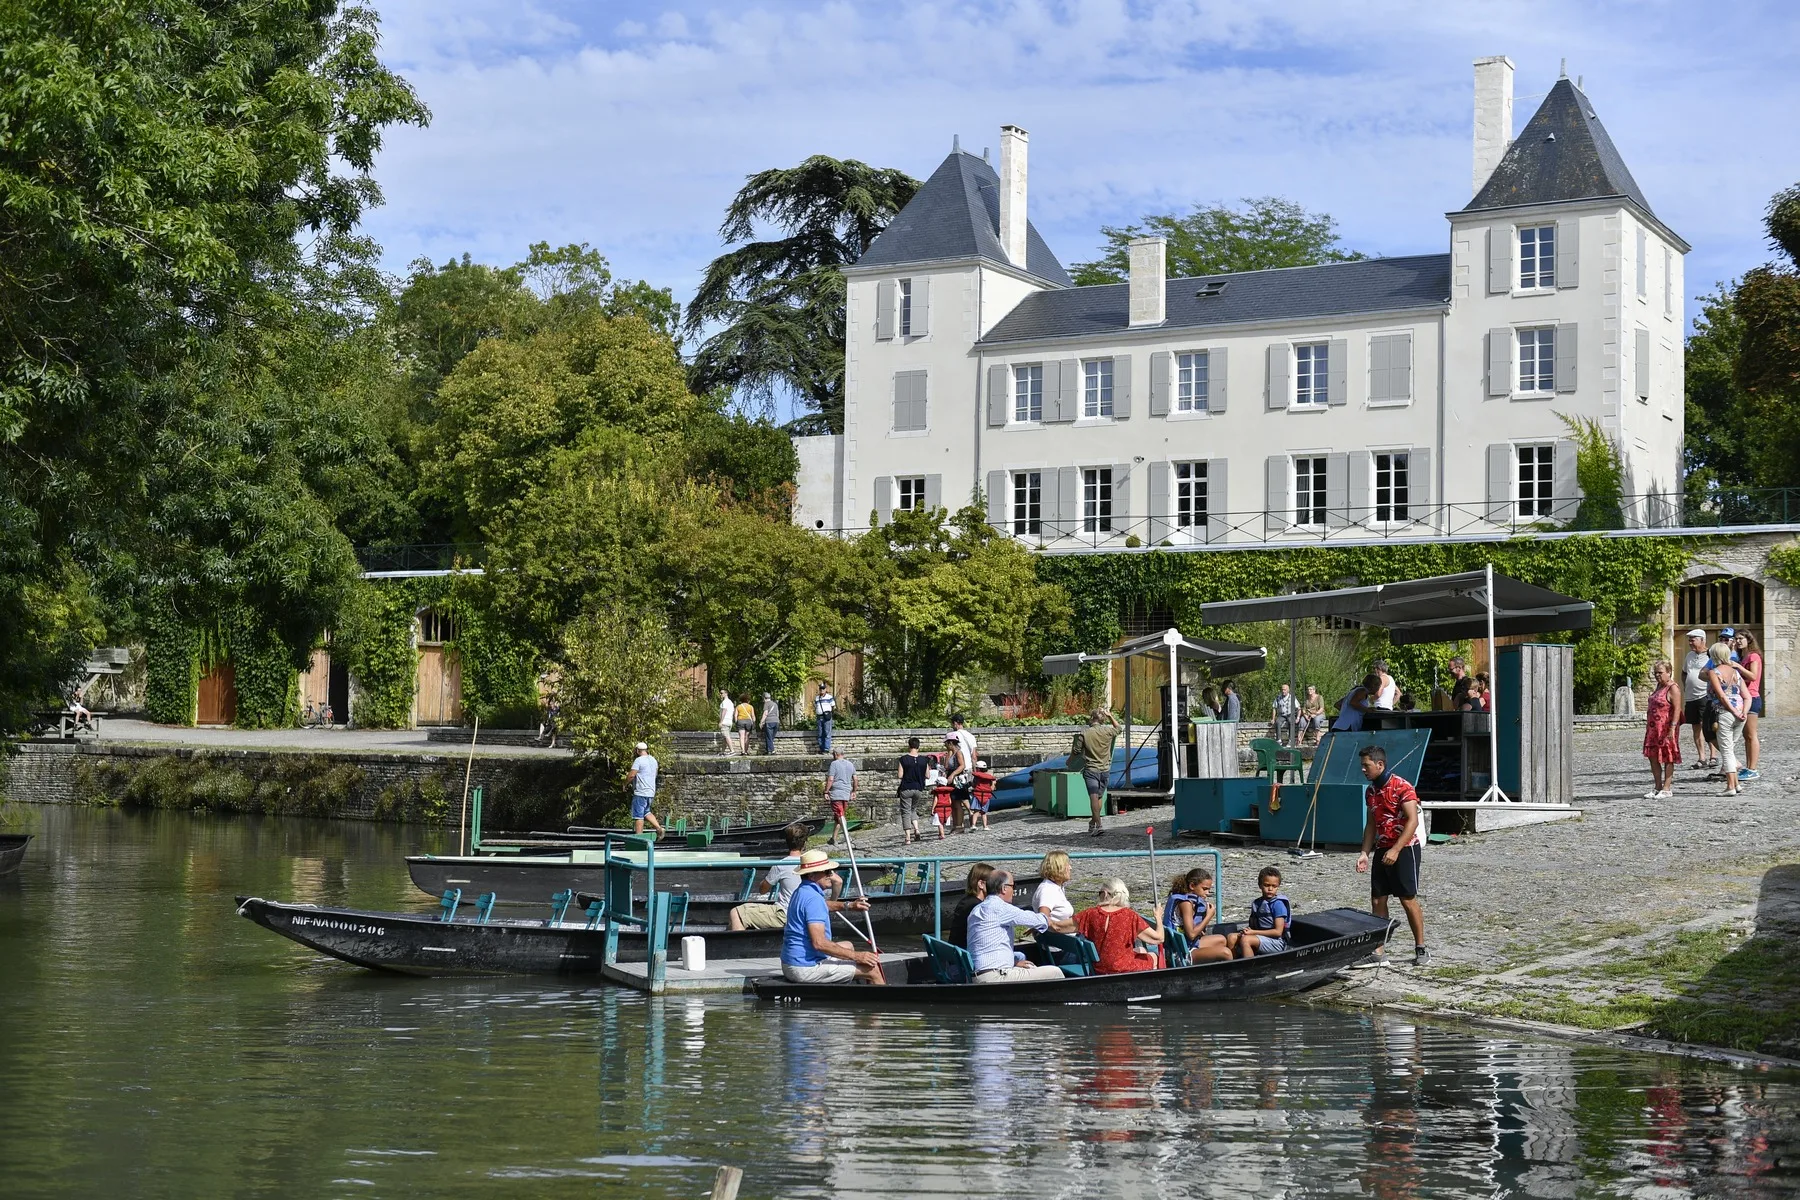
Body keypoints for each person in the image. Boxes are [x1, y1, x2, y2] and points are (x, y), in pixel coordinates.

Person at [1354, 744, 1428, 966]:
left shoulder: (1402, 786)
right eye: (1362, 766)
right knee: (1378, 898)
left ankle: (1421, 948)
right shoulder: (1371, 791)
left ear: (1380, 764)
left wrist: (1396, 849)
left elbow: (1412, 821)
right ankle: (1378, 951)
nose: (1363, 770)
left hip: (1405, 848)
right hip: (1383, 847)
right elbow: (1371, 824)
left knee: (1407, 899)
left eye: (1366, 766)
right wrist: (1364, 853)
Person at [780, 850, 884, 985]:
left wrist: (850, 905)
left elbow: (823, 905)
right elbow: (819, 943)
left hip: (791, 962)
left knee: (848, 945)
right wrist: (859, 956)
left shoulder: (802, 891)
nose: (831, 875)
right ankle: (884, 1005)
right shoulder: (813, 899)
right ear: (812, 875)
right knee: (872, 969)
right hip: (805, 968)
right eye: (827, 872)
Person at [966, 869, 1066, 983]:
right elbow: (1033, 918)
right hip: (995, 977)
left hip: (979, 974)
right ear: (1004, 888)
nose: (1014, 891)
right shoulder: (1000, 908)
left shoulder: (977, 909)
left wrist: (1014, 961)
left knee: (1024, 961)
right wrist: (1051, 922)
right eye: (1013, 886)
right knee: (1055, 972)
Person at [728, 822, 811, 930]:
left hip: (785, 914)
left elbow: (763, 890)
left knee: (737, 913)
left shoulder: (781, 865)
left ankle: (738, 945)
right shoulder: (813, 864)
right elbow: (838, 881)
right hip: (805, 914)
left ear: (787, 842)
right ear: (804, 843)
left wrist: (766, 881)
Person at [1074, 880, 1165, 975]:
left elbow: (1058, 927)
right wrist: (1158, 917)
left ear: (1105, 894)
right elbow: (1159, 938)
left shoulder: (1090, 914)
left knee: (1142, 950)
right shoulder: (1129, 916)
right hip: (1121, 968)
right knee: (1154, 957)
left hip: (1098, 968)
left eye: (1099, 893)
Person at [1069, 707, 1122, 837]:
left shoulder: (1085, 733)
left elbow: (1076, 751)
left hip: (1091, 769)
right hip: (1105, 770)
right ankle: (1094, 822)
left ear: (1092, 718)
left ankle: (1097, 825)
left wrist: (1068, 761)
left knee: (1093, 797)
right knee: (1098, 797)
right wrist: (1110, 716)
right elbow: (1119, 728)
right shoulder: (1108, 731)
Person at [1707, 643, 1749, 797]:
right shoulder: (1736, 673)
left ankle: (1730, 786)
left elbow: (1722, 696)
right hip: (1740, 714)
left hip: (1725, 713)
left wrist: (1733, 711)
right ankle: (1736, 784)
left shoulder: (1714, 672)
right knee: (1730, 749)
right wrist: (1742, 712)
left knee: (1726, 751)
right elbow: (1747, 696)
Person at [1232, 866, 1292, 958]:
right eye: (1267, 885)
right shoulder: (1257, 903)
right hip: (1260, 937)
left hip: (1277, 943)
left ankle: (1250, 968)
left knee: (1246, 940)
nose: (1270, 889)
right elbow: (1253, 926)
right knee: (1231, 937)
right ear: (1260, 885)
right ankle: (1233, 964)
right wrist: (1248, 930)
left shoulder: (1278, 905)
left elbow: (1278, 932)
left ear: (1278, 887)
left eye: (1274, 886)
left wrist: (1253, 932)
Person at [1641, 659, 1680, 799]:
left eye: (1660, 673)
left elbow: (1677, 709)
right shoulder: (1658, 686)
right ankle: (1657, 786)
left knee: (1668, 756)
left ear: (1669, 672)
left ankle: (1666, 787)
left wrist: (1673, 727)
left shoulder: (1672, 688)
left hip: (1666, 728)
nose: (1658, 675)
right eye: (1655, 673)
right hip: (1653, 728)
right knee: (1653, 756)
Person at [1679, 629, 1717, 770]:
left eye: (1693, 640)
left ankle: (1713, 756)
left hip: (1705, 696)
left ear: (1702, 640)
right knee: (1696, 727)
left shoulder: (1710, 655)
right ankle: (1702, 757)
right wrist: (1686, 685)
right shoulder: (1689, 656)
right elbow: (1684, 673)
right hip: (1691, 696)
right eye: (1689, 640)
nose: (1690, 643)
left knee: (1707, 726)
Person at [1733, 630, 1763, 781]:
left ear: (1748, 640)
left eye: (1741, 638)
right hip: (1743, 698)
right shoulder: (1742, 657)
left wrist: (1738, 667)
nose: (1738, 641)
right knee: (1746, 736)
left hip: (1752, 698)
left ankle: (1753, 768)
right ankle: (1749, 766)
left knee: (1751, 735)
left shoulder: (1753, 656)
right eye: (1736, 639)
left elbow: (1753, 676)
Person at [946, 862, 996, 948]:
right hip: (969, 954)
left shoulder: (965, 901)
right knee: (1019, 956)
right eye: (993, 882)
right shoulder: (979, 907)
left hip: (958, 953)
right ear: (981, 884)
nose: (996, 885)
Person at [625, 741, 665, 836]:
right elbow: (655, 775)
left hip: (641, 792)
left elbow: (632, 775)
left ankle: (639, 838)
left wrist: (625, 784)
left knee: (638, 816)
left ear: (638, 751)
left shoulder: (639, 760)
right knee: (646, 812)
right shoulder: (653, 760)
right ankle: (659, 829)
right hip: (651, 792)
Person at [895, 736, 928, 845]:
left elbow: (900, 775)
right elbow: (927, 775)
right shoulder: (924, 760)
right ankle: (917, 829)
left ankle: (908, 837)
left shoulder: (904, 759)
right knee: (913, 809)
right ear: (918, 746)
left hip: (906, 788)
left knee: (905, 812)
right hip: (918, 789)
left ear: (909, 746)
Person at [948, 715, 978, 831]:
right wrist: (975, 771)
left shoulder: (955, 736)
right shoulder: (970, 736)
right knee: (965, 794)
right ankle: (971, 814)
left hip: (959, 768)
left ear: (956, 723)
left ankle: (963, 820)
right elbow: (974, 755)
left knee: (958, 796)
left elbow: (952, 752)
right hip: (969, 769)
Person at [822, 749, 857, 844]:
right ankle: (833, 838)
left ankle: (847, 837)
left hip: (836, 793)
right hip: (846, 793)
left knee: (840, 816)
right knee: (839, 816)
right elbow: (855, 779)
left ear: (835, 754)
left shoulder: (834, 764)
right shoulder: (850, 764)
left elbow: (830, 779)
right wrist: (854, 791)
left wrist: (826, 791)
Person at [1031, 851, 1076, 925]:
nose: (1070, 868)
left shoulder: (1056, 887)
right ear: (1058, 868)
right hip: (1060, 935)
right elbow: (1043, 918)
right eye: (1067, 865)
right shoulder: (1048, 890)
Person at [927, 756, 953, 839]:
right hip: (947, 807)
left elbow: (935, 800)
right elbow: (950, 800)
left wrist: (932, 809)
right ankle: (941, 833)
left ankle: (942, 834)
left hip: (939, 808)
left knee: (939, 823)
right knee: (944, 821)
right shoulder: (948, 792)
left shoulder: (937, 792)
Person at [969, 760, 997, 830]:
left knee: (976, 811)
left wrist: (970, 783)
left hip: (978, 795)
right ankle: (985, 826)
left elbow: (974, 785)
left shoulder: (976, 777)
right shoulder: (989, 777)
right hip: (986, 796)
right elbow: (992, 788)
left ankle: (973, 825)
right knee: (984, 812)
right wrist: (994, 783)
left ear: (978, 769)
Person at [814, 684, 836, 753]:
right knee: (820, 734)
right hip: (819, 717)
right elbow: (815, 706)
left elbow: (833, 706)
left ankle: (826, 749)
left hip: (827, 717)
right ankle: (821, 748)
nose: (822, 690)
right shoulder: (817, 698)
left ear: (825, 689)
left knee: (827, 733)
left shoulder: (829, 697)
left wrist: (829, 713)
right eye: (821, 689)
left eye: (823, 689)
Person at [760, 692, 781, 756]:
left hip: (769, 722)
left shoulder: (766, 704)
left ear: (764, 698)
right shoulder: (775, 704)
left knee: (769, 737)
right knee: (770, 737)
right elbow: (777, 714)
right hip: (776, 722)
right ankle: (768, 750)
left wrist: (761, 722)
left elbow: (765, 713)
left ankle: (772, 751)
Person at [717, 689, 735, 755]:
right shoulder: (730, 702)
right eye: (720, 693)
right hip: (729, 721)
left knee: (726, 736)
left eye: (722, 693)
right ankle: (723, 751)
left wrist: (721, 721)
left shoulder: (725, 702)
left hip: (725, 721)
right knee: (725, 737)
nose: (720, 694)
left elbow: (724, 711)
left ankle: (732, 750)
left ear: (726, 694)